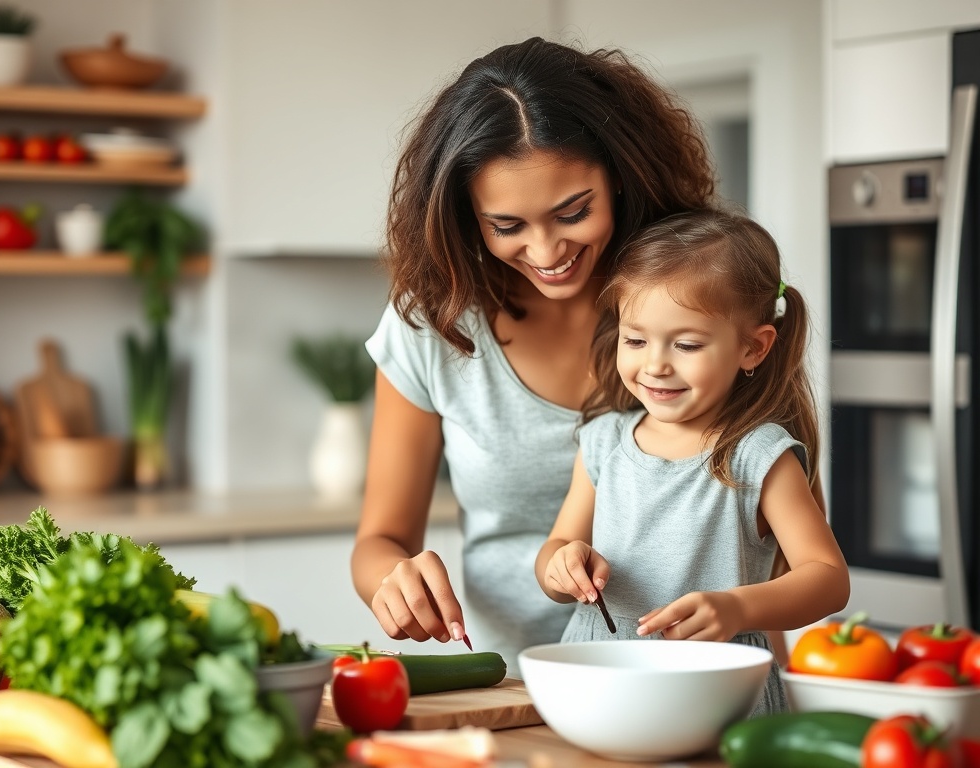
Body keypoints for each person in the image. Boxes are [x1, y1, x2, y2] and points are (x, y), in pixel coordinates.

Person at [351, 35, 717, 674]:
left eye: (573, 212)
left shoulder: (702, 297)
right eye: (508, 227)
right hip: (513, 684)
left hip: (691, 678)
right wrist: (395, 579)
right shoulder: (434, 325)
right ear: (468, 219)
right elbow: (379, 540)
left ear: (623, 175)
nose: (547, 252)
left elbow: (780, 528)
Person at [535, 208, 850, 713]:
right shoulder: (601, 443)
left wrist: (736, 607)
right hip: (598, 683)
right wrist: (561, 566)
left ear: (753, 348)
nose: (655, 363)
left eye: (686, 344)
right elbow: (555, 548)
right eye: (635, 339)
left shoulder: (757, 456)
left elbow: (828, 578)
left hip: (717, 695)